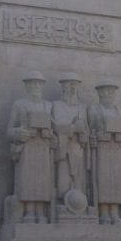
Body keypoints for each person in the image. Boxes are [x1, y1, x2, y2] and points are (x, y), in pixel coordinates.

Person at [7, 71, 54, 223]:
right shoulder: (19, 105)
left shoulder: (48, 105)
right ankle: (28, 211)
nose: (36, 87)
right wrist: (18, 133)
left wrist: (50, 134)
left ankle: (41, 212)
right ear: (27, 86)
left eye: (39, 84)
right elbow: (9, 131)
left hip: (43, 148)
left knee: (42, 180)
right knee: (27, 180)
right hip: (27, 147)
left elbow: (54, 129)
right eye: (33, 84)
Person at [88, 80, 121, 224]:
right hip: (102, 150)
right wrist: (97, 136)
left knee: (116, 182)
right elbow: (90, 131)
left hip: (116, 149)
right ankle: (104, 212)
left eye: (111, 91)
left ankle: (115, 212)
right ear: (99, 93)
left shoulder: (119, 111)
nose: (108, 94)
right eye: (105, 91)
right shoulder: (94, 109)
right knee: (103, 180)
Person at [51, 72, 89, 204]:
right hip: (63, 149)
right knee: (63, 177)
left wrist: (83, 134)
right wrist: (73, 128)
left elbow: (86, 129)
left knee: (78, 179)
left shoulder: (82, 108)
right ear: (63, 87)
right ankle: (62, 203)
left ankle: (78, 204)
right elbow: (54, 126)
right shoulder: (56, 106)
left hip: (78, 149)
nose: (72, 88)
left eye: (75, 85)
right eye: (69, 85)